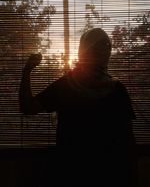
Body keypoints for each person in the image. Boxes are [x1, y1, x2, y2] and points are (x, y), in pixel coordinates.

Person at [19, 28, 137, 186]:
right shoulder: (116, 90)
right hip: (109, 173)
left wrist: (27, 71)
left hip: (71, 172)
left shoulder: (67, 85)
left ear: (82, 51)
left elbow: (28, 107)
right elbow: (127, 143)